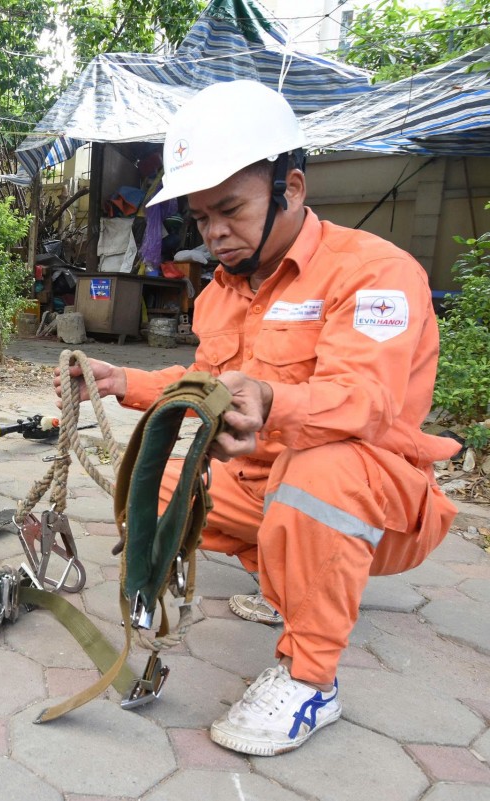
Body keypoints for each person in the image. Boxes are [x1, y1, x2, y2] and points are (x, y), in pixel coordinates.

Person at [56, 80, 459, 756]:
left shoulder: (375, 273)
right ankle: (289, 581)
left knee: (317, 471)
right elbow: (208, 383)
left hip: (375, 494)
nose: (213, 232)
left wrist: (274, 403)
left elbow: (367, 400)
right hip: (269, 487)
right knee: (158, 492)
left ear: (291, 189)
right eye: (201, 216)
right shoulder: (221, 294)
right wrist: (122, 381)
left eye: (231, 210)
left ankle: (311, 678)